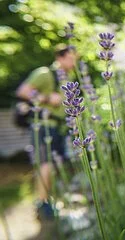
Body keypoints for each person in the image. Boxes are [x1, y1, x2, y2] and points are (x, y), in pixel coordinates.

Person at [16, 44, 76, 220]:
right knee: (46, 164)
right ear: (60, 57)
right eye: (71, 58)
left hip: (58, 126)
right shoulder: (44, 73)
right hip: (42, 124)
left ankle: (49, 200)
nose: (74, 62)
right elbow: (23, 91)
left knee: (55, 166)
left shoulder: (69, 77)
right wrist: (48, 98)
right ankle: (41, 204)